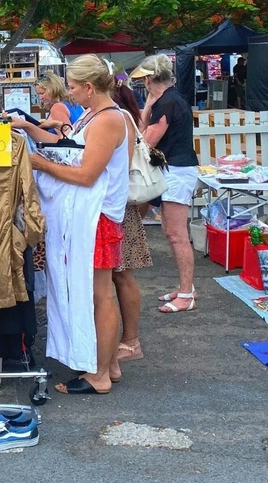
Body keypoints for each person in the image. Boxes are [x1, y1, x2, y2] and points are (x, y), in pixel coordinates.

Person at [30, 55, 131, 394]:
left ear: (89, 87)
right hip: (94, 216)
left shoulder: (108, 120)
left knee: (100, 295)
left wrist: (39, 165)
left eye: (72, 87)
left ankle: (100, 375)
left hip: (97, 218)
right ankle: (109, 365)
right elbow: (76, 153)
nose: (69, 93)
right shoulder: (96, 114)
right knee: (98, 294)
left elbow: (87, 175)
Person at [131, 55, 199, 313]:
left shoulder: (168, 102)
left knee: (176, 234)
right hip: (176, 169)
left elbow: (145, 140)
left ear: (148, 80)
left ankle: (186, 293)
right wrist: (148, 106)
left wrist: (147, 109)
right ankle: (186, 288)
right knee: (172, 232)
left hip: (177, 170)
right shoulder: (170, 99)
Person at [110, 79, 153, 369]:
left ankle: (131, 341)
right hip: (121, 205)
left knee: (122, 275)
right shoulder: (122, 114)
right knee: (119, 275)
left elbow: (120, 166)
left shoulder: (118, 116)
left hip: (120, 205)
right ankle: (128, 339)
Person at [10, 71, 77, 144]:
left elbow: (67, 140)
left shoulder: (57, 107)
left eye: (42, 93)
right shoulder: (72, 103)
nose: (40, 98)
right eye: (38, 94)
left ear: (53, 90)